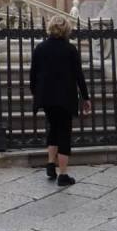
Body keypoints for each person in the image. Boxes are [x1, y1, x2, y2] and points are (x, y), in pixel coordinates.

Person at [29, 15, 91, 187]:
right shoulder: (70, 49)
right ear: (67, 30)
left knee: (53, 127)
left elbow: (33, 75)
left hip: (47, 97)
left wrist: (36, 93)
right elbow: (79, 76)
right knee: (64, 131)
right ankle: (63, 174)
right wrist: (85, 97)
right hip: (65, 97)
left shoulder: (40, 48)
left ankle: (50, 162)